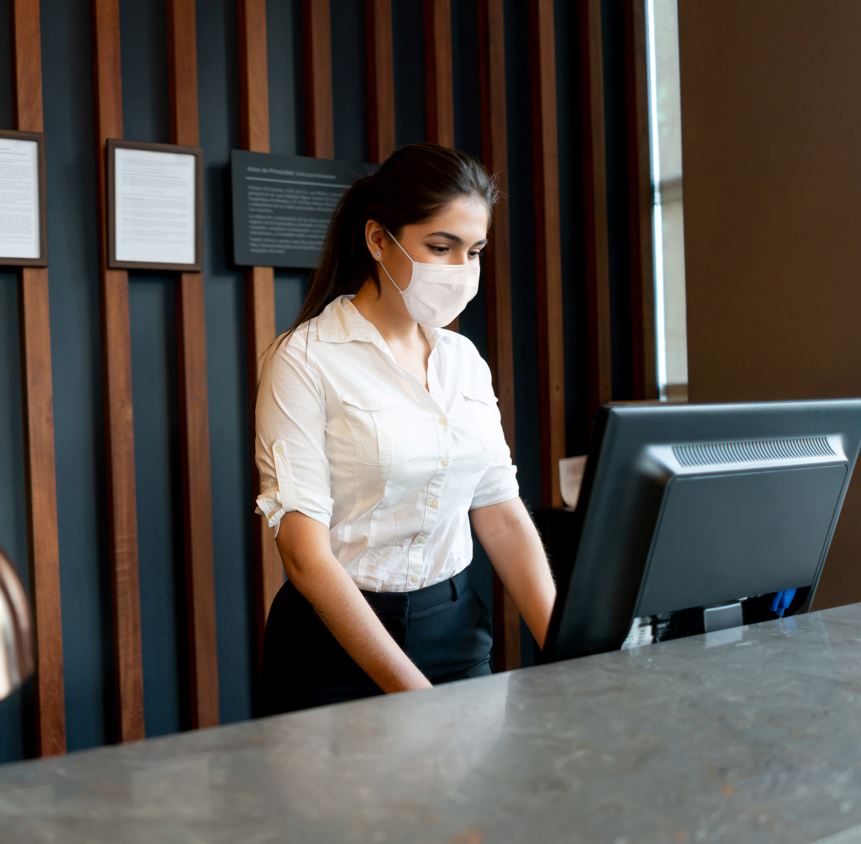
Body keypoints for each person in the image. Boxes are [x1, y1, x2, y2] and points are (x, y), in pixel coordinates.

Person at [255, 143, 556, 714]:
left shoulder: (463, 360)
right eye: (441, 248)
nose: (461, 271)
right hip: (335, 647)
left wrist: (574, 652)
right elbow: (304, 556)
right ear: (377, 240)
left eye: (475, 252)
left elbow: (500, 511)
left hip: (457, 630)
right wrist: (420, 703)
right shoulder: (303, 359)